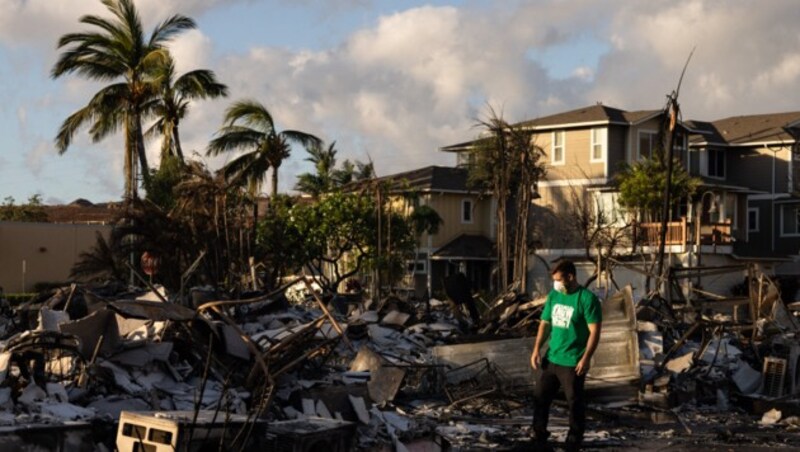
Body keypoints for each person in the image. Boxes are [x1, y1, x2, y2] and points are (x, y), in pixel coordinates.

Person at [530, 260, 602, 451]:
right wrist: (537, 348)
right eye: (554, 280)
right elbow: (545, 324)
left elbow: (594, 332)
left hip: (572, 362)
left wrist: (586, 358)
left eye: (559, 280)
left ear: (570, 277)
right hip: (552, 357)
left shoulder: (587, 299)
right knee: (540, 397)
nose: (556, 284)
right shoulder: (554, 295)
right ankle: (539, 435)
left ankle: (573, 441)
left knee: (574, 403)